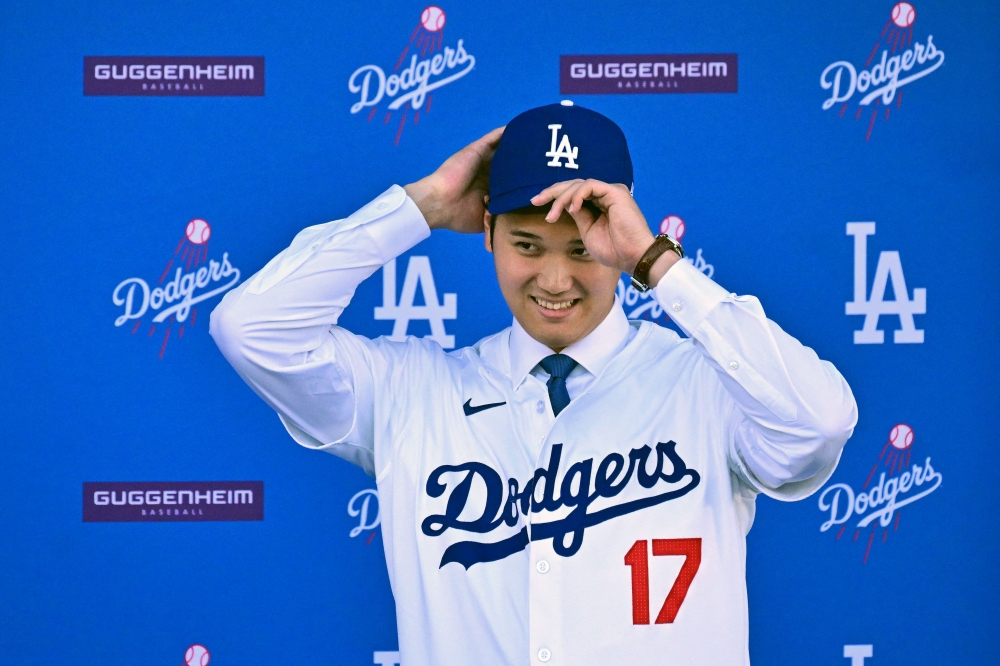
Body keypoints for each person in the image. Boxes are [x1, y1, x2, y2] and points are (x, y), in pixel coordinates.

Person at [210, 102, 857, 665]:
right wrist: (424, 204)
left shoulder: (704, 385)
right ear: (486, 232)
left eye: (581, 249)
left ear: (620, 235)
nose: (553, 281)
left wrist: (656, 264)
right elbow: (251, 329)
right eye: (526, 244)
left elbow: (820, 424)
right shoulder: (411, 392)